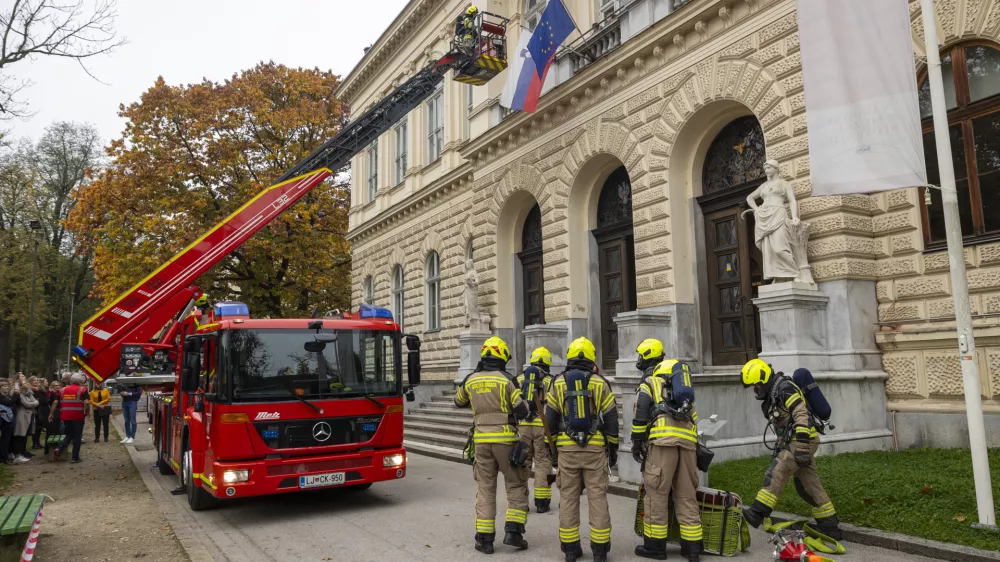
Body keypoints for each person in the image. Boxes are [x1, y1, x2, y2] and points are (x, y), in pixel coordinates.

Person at [739, 359, 842, 540]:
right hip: (796, 440)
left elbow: (801, 415)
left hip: (803, 440)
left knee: (778, 471)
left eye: (756, 386)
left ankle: (757, 512)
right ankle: (830, 526)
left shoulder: (785, 389)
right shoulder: (775, 392)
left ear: (763, 380)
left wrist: (801, 447)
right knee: (808, 485)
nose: (756, 390)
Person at [454, 336, 531, 554]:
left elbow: (458, 401)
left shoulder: (471, 379)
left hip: (480, 441)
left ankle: (485, 539)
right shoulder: (507, 379)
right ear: (502, 357)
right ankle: (514, 532)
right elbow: (522, 410)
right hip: (505, 440)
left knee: (486, 488)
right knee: (515, 484)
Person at [545, 337, 619, 562]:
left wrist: (552, 450)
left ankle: (570, 549)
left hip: (567, 450)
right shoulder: (599, 383)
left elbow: (550, 420)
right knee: (597, 496)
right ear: (591, 357)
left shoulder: (557, 383)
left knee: (568, 497)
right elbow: (611, 419)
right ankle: (599, 550)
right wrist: (612, 449)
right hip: (595, 449)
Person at [632, 359, 702, 562]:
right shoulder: (686, 394)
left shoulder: (650, 384)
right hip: (688, 446)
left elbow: (640, 416)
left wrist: (637, 444)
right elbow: (695, 420)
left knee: (656, 495)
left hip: (663, 445)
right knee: (687, 495)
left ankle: (654, 547)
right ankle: (692, 549)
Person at [514, 347, 554, 513]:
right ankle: (541, 502)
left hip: (523, 426)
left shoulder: (519, 378)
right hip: (542, 426)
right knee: (543, 462)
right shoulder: (550, 380)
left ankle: (521, 502)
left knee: (523, 462)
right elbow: (553, 405)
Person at [55, 374, 90, 463]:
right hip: (77, 416)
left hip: (65, 416)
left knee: (69, 433)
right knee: (77, 436)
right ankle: (75, 457)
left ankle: (59, 449)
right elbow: (86, 403)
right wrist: (87, 412)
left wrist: (51, 413)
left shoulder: (62, 390)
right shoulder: (83, 390)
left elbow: (56, 402)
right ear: (80, 382)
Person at [12, 383, 39, 463]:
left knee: (24, 436)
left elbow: (35, 401)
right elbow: (27, 404)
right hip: (22, 416)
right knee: (19, 435)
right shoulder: (19, 394)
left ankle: (22, 453)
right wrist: (34, 403)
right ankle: (17, 455)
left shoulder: (29, 393)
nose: (27, 386)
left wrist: (33, 403)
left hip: (29, 416)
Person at [45, 381, 62, 456]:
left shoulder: (54, 393)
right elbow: (55, 402)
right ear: (52, 386)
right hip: (54, 413)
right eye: (55, 385)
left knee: (54, 431)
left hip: (54, 412)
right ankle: (51, 449)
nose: (57, 386)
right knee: (53, 431)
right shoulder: (54, 394)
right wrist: (51, 413)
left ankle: (49, 449)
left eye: (59, 385)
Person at [31, 378, 48, 449]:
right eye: (34, 380)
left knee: (39, 428)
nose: (36, 382)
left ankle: (37, 442)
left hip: (42, 410)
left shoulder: (42, 390)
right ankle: (35, 443)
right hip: (37, 411)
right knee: (36, 428)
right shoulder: (36, 391)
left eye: (37, 380)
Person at [0, 381, 14, 464]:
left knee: (6, 439)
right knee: (4, 439)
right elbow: (9, 403)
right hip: (2, 419)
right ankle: (2, 458)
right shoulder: (1, 397)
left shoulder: (7, 396)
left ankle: (4, 456)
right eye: (4, 386)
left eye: (7, 386)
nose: (6, 387)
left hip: (8, 419)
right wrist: (16, 394)